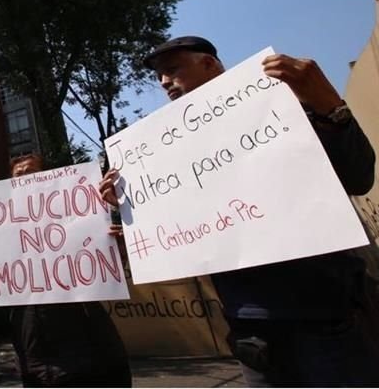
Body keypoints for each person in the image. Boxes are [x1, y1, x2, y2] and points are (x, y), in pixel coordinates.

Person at [101, 36, 378, 386]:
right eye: (159, 77)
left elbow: (359, 176)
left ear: (210, 64)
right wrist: (133, 213)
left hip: (327, 315)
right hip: (249, 331)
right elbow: (187, 231)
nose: (164, 82)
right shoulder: (167, 156)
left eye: (172, 70)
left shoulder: (284, 107)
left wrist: (331, 110)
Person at [0, 154, 132, 387]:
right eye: (19, 176)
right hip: (39, 362)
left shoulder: (80, 218)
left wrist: (118, 242)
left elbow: (112, 264)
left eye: (33, 173)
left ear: (49, 179)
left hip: (96, 357)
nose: (26, 180)